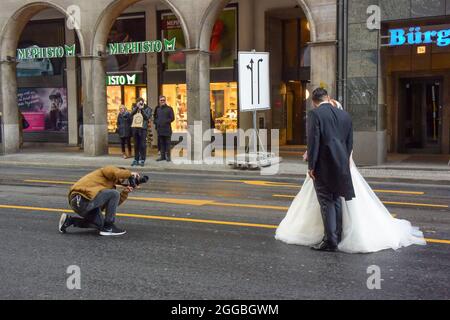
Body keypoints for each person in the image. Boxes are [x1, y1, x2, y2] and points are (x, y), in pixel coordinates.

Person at [275, 90, 426, 253]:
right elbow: (349, 142)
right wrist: (344, 162)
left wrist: (311, 166)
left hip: (323, 165)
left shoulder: (315, 114)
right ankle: (337, 236)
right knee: (337, 199)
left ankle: (330, 241)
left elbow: (314, 141)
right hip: (341, 164)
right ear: (327, 98)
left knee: (326, 202)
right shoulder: (345, 116)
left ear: (314, 101)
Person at [59, 166, 140, 236]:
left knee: (101, 225)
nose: (123, 180)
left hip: (86, 205)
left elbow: (111, 205)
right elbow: (117, 173)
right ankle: (109, 226)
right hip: (80, 198)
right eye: (123, 177)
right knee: (114, 194)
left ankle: (69, 221)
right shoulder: (107, 170)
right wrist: (130, 174)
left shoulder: (109, 188)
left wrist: (125, 192)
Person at [130, 97, 152, 167]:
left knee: (143, 145)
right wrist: (137, 108)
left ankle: (142, 159)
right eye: (138, 102)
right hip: (135, 128)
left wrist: (142, 110)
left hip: (143, 129)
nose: (140, 103)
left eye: (141, 102)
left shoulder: (148, 109)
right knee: (136, 145)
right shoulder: (134, 108)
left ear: (143, 102)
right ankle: (136, 159)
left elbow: (147, 117)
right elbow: (131, 115)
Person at [154, 96, 175, 162]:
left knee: (167, 144)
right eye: (161, 100)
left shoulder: (169, 108)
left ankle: (168, 157)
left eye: (163, 100)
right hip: (160, 129)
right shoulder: (158, 109)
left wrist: (165, 121)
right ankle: (162, 157)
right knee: (161, 144)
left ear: (165, 101)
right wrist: (156, 122)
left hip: (167, 129)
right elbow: (155, 117)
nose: (162, 101)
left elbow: (172, 118)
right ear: (159, 101)